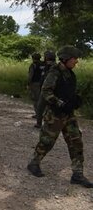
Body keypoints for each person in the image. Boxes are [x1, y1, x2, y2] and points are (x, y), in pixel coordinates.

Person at [27, 46, 93, 188]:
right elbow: (46, 92)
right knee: (46, 142)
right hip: (55, 115)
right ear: (66, 58)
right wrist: (60, 104)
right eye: (74, 58)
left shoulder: (69, 73)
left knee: (76, 143)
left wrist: (75, 100)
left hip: (69, 115)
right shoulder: (54, 72)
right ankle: (34, 164)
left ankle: (77, 174)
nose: (76, 61)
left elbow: (67, 91)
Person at [34, 50, 56, 128]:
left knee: (42, 107)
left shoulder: (53, 67)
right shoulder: (46, 65)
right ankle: (41, 123)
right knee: (43, 107)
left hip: (49, 90)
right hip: (45, 89)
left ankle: (42, 124)